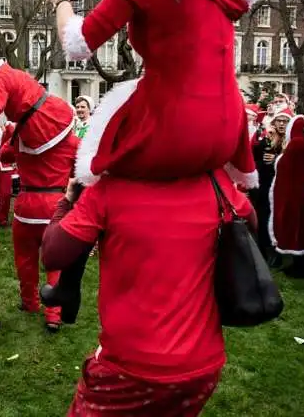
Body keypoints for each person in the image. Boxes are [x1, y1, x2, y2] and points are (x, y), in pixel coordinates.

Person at [44, 0, 259, 190]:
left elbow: (78, 44)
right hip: (226, 130)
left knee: (88, 200)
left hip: (173, 130)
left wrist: (62, 0)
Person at [43, 170, 253, 415]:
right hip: (202, 365)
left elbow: (52, 253)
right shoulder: (216, 183)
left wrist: (67, 201)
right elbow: (250, 225)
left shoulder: (109, 189)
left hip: (131, 367)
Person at [0, 54, 80, 332]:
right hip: (55, 203)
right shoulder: (72, 144)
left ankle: (29, 302)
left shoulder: (21, 139)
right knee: (55, 261)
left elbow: (4, 152)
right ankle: (54, 314)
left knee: (25, 259)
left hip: (26, 205)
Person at [269, 115, 304, 278]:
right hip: (302, 192)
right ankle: (300, 264)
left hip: (295, 194)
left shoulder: (296, 145)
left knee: (297, 228)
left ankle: (300, 267)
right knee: (302, 228)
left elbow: (285, 167)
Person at [252, 107, 291, 263]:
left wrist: (275, 159)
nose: (281, 124)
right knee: (263, 217)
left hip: (282, 186)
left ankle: (278, 252)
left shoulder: (291, 140)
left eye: (285, 121)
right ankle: (263, 250)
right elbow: (256, 160)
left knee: (279, 219)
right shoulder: (266, 139)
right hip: (265, 185)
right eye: (279, 121)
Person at [0, 122, 16, 227]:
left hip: (5, 163)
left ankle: (2, 218)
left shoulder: (8, 125)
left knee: (5, 192)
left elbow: (13, 135)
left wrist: (5, 125)